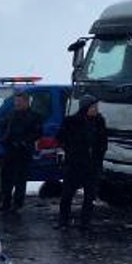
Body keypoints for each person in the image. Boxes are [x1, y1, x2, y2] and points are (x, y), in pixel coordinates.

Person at [56, 95, 108, 229]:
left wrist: (98, 155)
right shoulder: (72, 121)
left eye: (96, 107)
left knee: (90, 196)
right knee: (67, 194)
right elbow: (60, 137)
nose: (95, 109)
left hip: (92, 165)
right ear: (85, 108)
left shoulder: (99, 121)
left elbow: (103, 141)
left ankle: (85, 222)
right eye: (93, 107)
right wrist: (71, 149)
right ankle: (63, 221)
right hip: (75, 164)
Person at [0, 91, 43, 212]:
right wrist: (4, 140)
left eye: (19, 101)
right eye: (16, 101)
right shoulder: (11, 115)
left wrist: (24, 141)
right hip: (9, 150)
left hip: (23, 151)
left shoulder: (34, 116)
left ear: (27, 102)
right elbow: (2, 127)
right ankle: (5, 202)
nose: (17, 104)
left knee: (20, 179)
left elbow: (37, 133)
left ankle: (17, 204)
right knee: (6, 177)